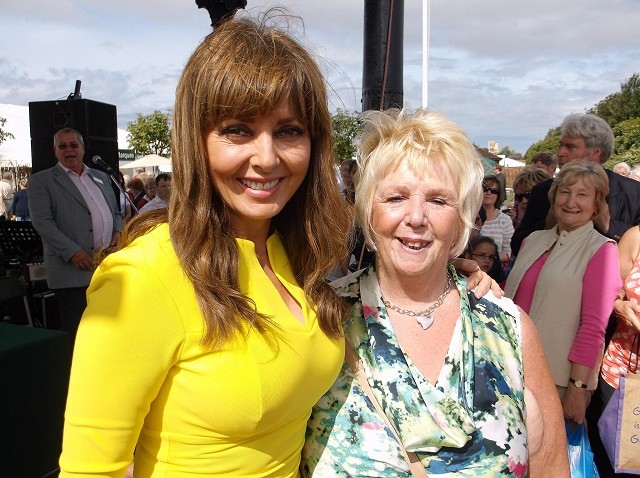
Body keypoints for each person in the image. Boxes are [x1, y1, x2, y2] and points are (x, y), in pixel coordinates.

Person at [303, 108, 568, 477]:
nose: (415, 217)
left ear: (463, 216)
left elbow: (552, 467)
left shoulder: (509, 328)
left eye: (438, 201)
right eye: (395, 198)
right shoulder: (321, 318)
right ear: (368, 210)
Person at [505, 160, 621, 425]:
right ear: (553, 196)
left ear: (596, 204)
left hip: (556, 380)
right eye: (565, 192)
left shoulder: (602, 250)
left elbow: (593, 327)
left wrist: (577, 390)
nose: (571, 201)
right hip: (510, 369)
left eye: (583, 194)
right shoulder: (532, 240)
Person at [28, 127, 123, 348]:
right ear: (55, 151)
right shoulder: (42, 182)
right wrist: (72, 252)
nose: (69, 150)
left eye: (74, 145)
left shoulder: (100, 177)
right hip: (72, 271)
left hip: (105, 267)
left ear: (82, 148)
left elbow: (116, 212)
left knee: (109, 332)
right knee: (81, 337)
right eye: (63, 146)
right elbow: (42, 222)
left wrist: (118, 231)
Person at [511, 113, 640, 256]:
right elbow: (517, 246)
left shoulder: (634, 193)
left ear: (595, 153)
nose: (560, 153)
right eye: (561, 145)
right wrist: (546, 226)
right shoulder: (542, 191)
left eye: (571, 147)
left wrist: (608, 225)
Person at [480, 174, 514, 264]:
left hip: (495, 271)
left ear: (498, 195)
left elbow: (508, 253)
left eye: (493, 191)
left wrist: (487, 259)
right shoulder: (469, 218)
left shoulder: (505, 220)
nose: (489, 193)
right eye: (485, 189)